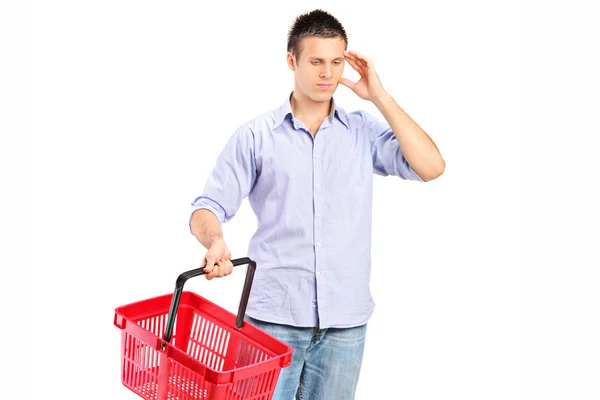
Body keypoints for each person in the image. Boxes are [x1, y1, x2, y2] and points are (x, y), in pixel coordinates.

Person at [189, 9, 445, 400]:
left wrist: (379, 96)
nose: (328, 74)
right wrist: (214, 241)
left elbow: (431, 167)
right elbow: (207, 206)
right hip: (272, 320)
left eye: (336, 62)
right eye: (316, 61)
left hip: (345, 324)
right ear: (292, 61)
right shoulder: (256, 136)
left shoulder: (362, 131)